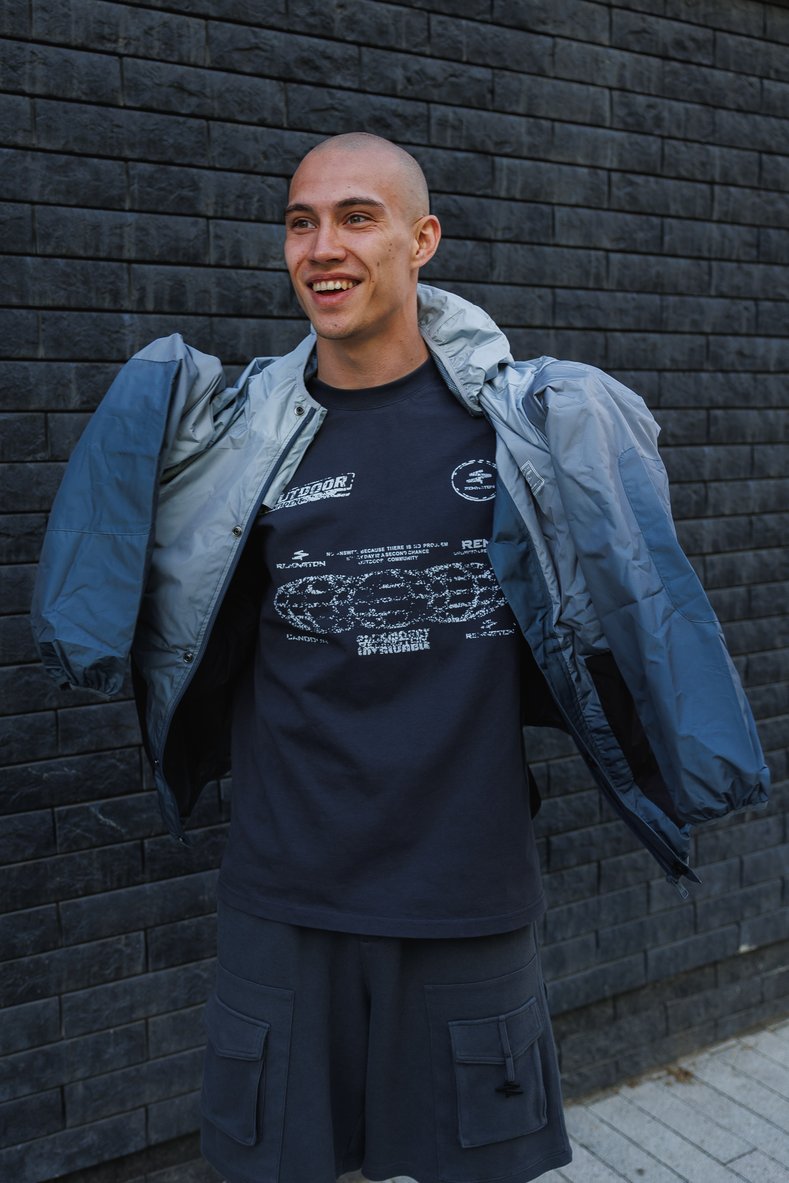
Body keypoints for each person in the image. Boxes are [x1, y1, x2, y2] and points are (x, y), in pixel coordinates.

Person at [31, 133, 769, 1183]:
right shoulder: (237, 445)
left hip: (468, 896)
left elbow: (637, 600)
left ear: (422, 241)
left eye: (356, 218)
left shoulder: (524, 432)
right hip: (284, 898)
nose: (322, 247)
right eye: (301, 222)